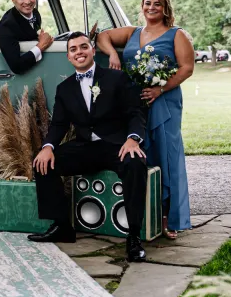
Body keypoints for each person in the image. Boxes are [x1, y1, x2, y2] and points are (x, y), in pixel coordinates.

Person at [28, 32, 149, 262]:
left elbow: (135, 112)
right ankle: (62, 226)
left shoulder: (116, 79)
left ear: (93, 50)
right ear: (69, 57)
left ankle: (134, 237)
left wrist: (133, 138)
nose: (79, 52)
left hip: (117, 145)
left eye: (83, 47)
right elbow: (59, 123)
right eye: (73, 49)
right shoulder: (65, 88)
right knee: (43, 163)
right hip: (85, 147)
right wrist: (48, 146)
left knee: (135, 164)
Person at [96, 0, 195, 239]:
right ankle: (144, 217)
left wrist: (161, 89)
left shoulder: (176, 34)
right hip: (134, 104)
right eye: (148, 3)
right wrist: (112, 55)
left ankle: (168, 218)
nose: (151, 7)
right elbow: (102, 36)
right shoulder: (132, 32)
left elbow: (187, 68)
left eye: (157, 4)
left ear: (165, 8)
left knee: (167, 157)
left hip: (164, 103)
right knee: (144, 155)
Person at [0, 0, 54, 74]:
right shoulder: (6, 26)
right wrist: (40, 46)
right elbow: (16, 66)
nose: (27, 2)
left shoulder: (35, 13)